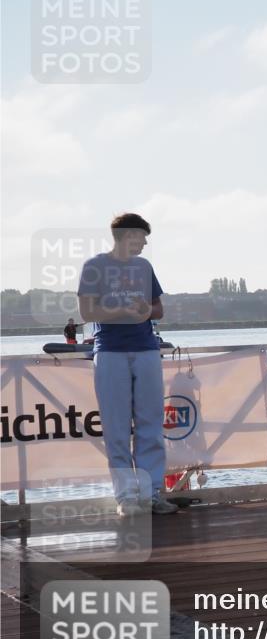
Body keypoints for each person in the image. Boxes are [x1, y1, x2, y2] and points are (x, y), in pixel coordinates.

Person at [77, 213, 177, 517]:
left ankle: (151, 494)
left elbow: (159, 309)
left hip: (146, 350)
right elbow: (85, 311)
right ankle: (126, 497)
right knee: (117, 427)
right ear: (126, 235)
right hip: (110, 351)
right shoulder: (94, 267)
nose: (145, 243)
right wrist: (121, 309)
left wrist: (145, 310)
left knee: (150, 424)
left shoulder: (144, 267)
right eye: (141, 236)